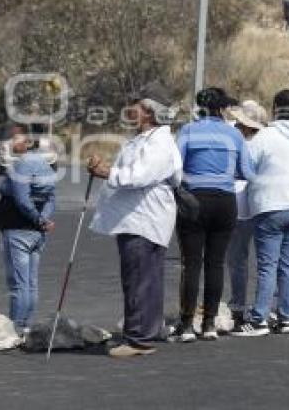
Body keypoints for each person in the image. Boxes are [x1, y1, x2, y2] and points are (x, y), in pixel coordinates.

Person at [88, 84, 182, 357]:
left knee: (140, 278)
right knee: (141, 277)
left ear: (150, 112)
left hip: (144, 219)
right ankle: (142, 332)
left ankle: (138, 338)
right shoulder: (146, 138)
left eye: (137, 105)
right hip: (135, 219)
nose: (131, 109)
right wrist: (107, 168)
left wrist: (108, 172)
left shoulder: (159, 142)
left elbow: (139, 175)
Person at [233, 90, 289, 336]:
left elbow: (244, 169)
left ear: (275, 108)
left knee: (267, 265)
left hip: (270, 206)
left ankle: (260, 318)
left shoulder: (264, 137)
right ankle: (286, 318)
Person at [171, 87, 254, 342]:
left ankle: (186, 325)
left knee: (191, 263)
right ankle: (209, 324)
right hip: (224, 202)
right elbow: (247, 172)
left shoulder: (187, 131)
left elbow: (176, 167)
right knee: (215, 263)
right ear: (220, 109)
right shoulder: (234, 136)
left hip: (194, 200)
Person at [0, 129, 56, 334]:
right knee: (30, 282)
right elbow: (51, 199)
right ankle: (26, 324)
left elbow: (22, 200)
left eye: (15, 139)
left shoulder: (22, 165)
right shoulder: (45, 165)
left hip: (18, 230)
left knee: (18, 284)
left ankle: (16, 328)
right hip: (37, 232)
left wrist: (38, 219)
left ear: (28, 143)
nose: (11, 142)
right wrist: (43, 221)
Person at [225, 100, 268, 331]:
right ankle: (257, 308)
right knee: (263, 261)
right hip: (256, 204)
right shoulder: (261, 141)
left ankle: (238, 306)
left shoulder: (239, 140)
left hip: (240, 204)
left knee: (237, 260)